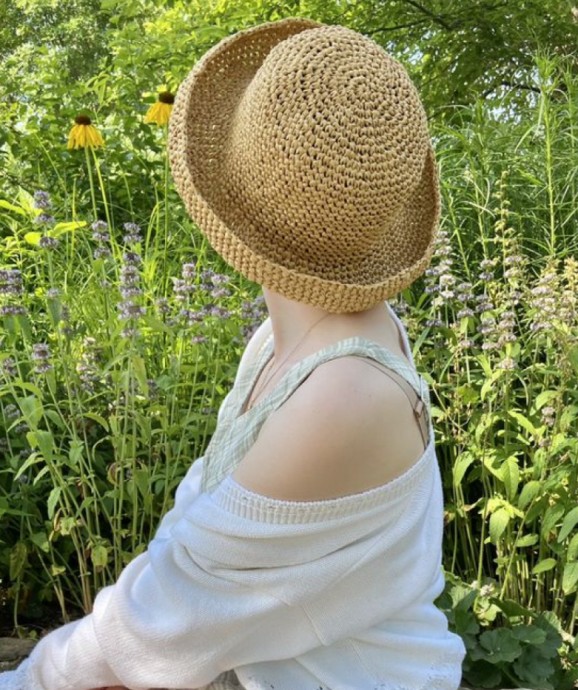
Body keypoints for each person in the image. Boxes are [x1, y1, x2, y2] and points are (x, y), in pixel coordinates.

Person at [0, 17, 466, 690]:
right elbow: (198, 543)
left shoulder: (342, 394)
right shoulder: (295, 341)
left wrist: (30, 679)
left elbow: (162, 624)